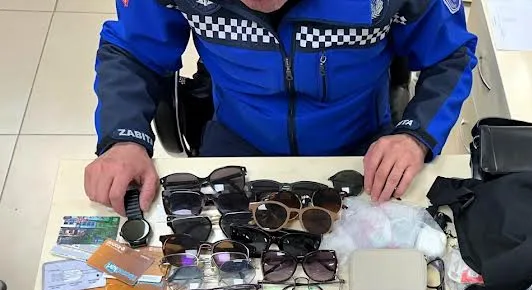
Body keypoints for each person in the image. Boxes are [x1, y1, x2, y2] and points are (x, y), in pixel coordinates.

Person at [84, 0, 477, 214]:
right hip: (237, 139)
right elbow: (133, 51)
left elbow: (451, 54)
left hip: (360, 144)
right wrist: (123, 138)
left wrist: (415, 134)